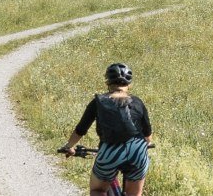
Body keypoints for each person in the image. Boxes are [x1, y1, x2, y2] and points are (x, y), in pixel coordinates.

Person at [60, 63, 154, 196]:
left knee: (97, 190)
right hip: (137, 151)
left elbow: (80, 130)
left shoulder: (98, 102)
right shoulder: (138, 102)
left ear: (108, 82)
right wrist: (146, 144)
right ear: (129, 84)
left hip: (110, 151)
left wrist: (69, 146)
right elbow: (148, 137)